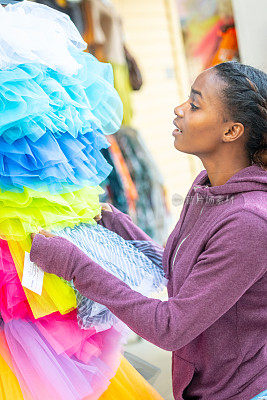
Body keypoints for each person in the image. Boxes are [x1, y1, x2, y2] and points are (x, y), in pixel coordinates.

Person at [30, 61, 267, 400]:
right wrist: (122, 227)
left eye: (195, 104)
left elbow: (171, 327)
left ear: (231, 131)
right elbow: (178, 276)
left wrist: (73, 265)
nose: (179, 109)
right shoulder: (209, 187)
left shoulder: (249, 221)